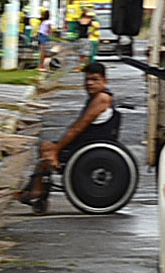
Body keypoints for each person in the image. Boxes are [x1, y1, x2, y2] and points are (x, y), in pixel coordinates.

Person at [21, 60, 122, 214]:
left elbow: (77, 128)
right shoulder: (96, 97)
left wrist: (56, 151)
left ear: (105, 81)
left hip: (87, 147)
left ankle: (37, 192)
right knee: (45, 147)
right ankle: (37, 190)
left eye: (95, 79)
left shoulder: (102, 98)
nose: (89, 83)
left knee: (47, 150)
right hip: (86, 144)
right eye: (87, 79)